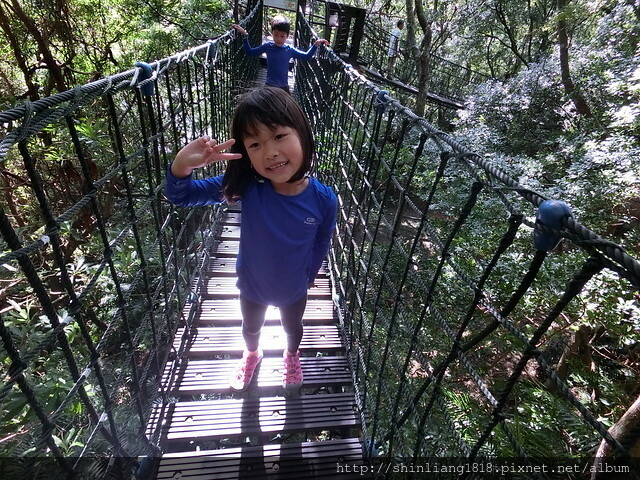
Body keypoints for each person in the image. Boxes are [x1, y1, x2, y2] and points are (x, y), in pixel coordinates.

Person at [165, 87, 338, 392]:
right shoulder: (248, 186)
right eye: (255, 144)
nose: (270, 152)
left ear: (302, 132)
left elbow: (322, 241)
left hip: (294, 287)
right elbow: (183, 196)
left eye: (279, 136)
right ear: (246, 155)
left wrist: (309, 274)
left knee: (292, 328)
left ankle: (291, 355)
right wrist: (182, 166)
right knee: (250, 328)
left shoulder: (324, 200)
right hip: (252, 284)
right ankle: (252, 355)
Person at [232, 16, 330, 92]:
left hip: (283, 87)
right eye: (275, 35)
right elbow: (250, 52)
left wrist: (316, 45)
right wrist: (245, 35)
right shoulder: (267, 46)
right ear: (272, 34)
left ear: (287, 36)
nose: (278, 39)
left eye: (282, 36)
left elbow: (306, 56)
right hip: (269, 86)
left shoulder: (289, 50)